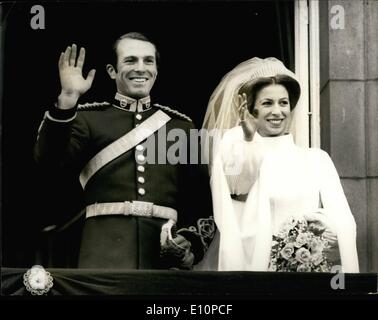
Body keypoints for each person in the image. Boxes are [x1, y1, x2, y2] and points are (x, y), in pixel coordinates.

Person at [34, 32, 214, 269]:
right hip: (102, 255)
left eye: (148, 61)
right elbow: (48, 161)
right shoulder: (88, 119)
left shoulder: (180, 127)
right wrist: (68, 99)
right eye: (130, 60)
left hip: (164, 260)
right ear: (111, 71)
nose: (141, 68)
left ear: (157, 70)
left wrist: (190, 243)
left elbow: (201, 198)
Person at [199, 57, 359, 272]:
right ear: (252, 110)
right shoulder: (238, 153)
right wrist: (246, 137)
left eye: (283, 103)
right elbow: (236, 190)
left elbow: (344, 221)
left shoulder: (316, 160)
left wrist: (313, 229)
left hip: (305, 275)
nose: (277, 111)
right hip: (253, 274)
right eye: (267, 103)